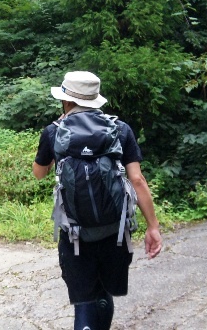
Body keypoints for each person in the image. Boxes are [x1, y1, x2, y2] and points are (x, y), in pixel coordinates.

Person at [32, 71, 162, 330]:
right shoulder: (120, 129)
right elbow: (137, 180)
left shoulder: (53, 132)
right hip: (115, 231)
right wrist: (153, 226)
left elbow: (39, 173)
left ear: (66, 101)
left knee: (84, 300)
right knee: (104, 292)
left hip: (75, 234)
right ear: (95, 99)